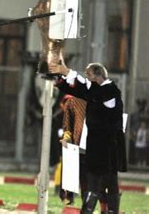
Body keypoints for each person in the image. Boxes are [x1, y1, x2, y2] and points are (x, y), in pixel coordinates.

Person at [49, 62, 127, 214]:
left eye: (88, 75)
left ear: (98, 76)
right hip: (96, 146)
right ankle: (88, 211)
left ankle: (110, 211)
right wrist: (61, 80)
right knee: (92, 182)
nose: (86, 78)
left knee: (110, 183)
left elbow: (87, 89)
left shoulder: (111, 90)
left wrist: (69, 72)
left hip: (109, 147)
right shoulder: (97, 91)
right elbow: (82, 90)